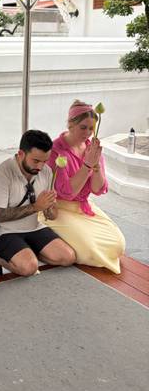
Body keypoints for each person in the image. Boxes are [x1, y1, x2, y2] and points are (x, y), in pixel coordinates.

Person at [45, 100, 125, 274]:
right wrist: (87, 165)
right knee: (91, 249)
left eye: (91, 128)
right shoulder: (55, 151)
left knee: (119, 244)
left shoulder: (91, 148)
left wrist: (95, 167)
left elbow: (98, 189)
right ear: (71, 124)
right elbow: (67, 192)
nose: (88, 133)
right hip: (58, 208)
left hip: (83, 207)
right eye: (83, 127)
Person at [0, 130, 76, 276]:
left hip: (34, 227)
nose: (40, 167)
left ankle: (26, 252)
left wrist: (49, 208)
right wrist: (36, 207)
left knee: (68, 257)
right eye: (36, 161)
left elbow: (53, 216)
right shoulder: (2, 172)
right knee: (29, 268)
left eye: (44, 161)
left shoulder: (46, 171)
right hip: (4, 231)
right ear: (21, 154)